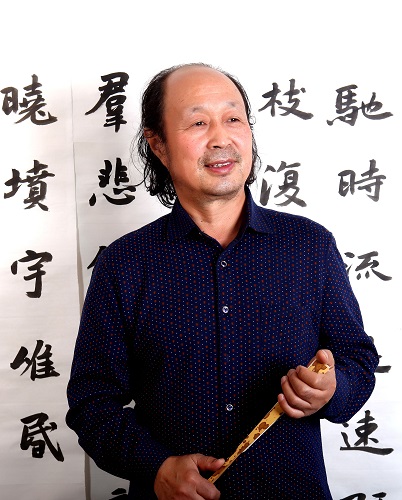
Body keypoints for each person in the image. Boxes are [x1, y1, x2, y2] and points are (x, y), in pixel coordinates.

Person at [66, 63, 379, 499]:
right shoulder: (125, 263)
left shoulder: (309, 245)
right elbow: (91, 400)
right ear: (158, 144)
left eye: (233, 118)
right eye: (198, 123)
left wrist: (332, 388)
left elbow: (357, 358)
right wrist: (156, 466)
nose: (220, 138)